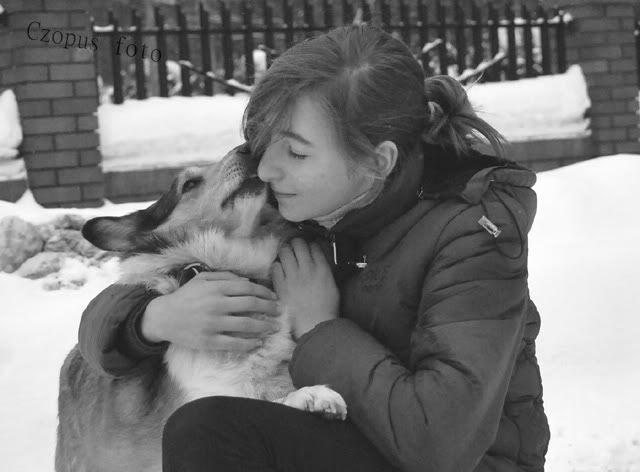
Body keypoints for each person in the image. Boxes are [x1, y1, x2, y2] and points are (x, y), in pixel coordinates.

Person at [78, 24, 549, 472]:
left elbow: (439, 443)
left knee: (209, 431)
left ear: (377, 161)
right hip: (355, 435)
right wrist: (153, 319)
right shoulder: (307, 211)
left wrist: (321, 327)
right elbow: (102, 320)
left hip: (449, 461)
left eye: (297, 153)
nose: (265, 170)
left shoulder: (474, 238)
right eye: (265, 146)